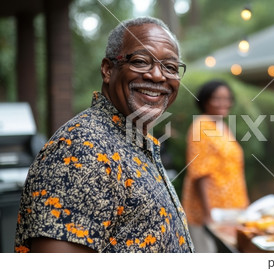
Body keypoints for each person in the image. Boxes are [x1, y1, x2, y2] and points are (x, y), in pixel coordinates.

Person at [15, 17, 194, 253]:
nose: (158, 76)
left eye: (170, 67)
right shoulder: (83, 147)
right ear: (108, 70)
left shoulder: (132, 141)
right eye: (141, 61)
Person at [182, 80, 249, 252]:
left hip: (230, 210)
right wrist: (208, 214)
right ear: (205, 101)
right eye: (216, 98)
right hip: (211, 212)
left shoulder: (222, 126)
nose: (223, 103)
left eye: (227, 99)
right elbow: (200, 173)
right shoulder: (201, 126)